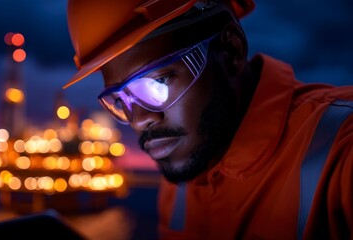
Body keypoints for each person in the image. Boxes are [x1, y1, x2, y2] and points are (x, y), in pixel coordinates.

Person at [63, 0, 353, 239]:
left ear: (230, 51)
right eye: (121, 100)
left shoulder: (343, 149)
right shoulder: (182, 171)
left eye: (157, 84)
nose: (139, 121)